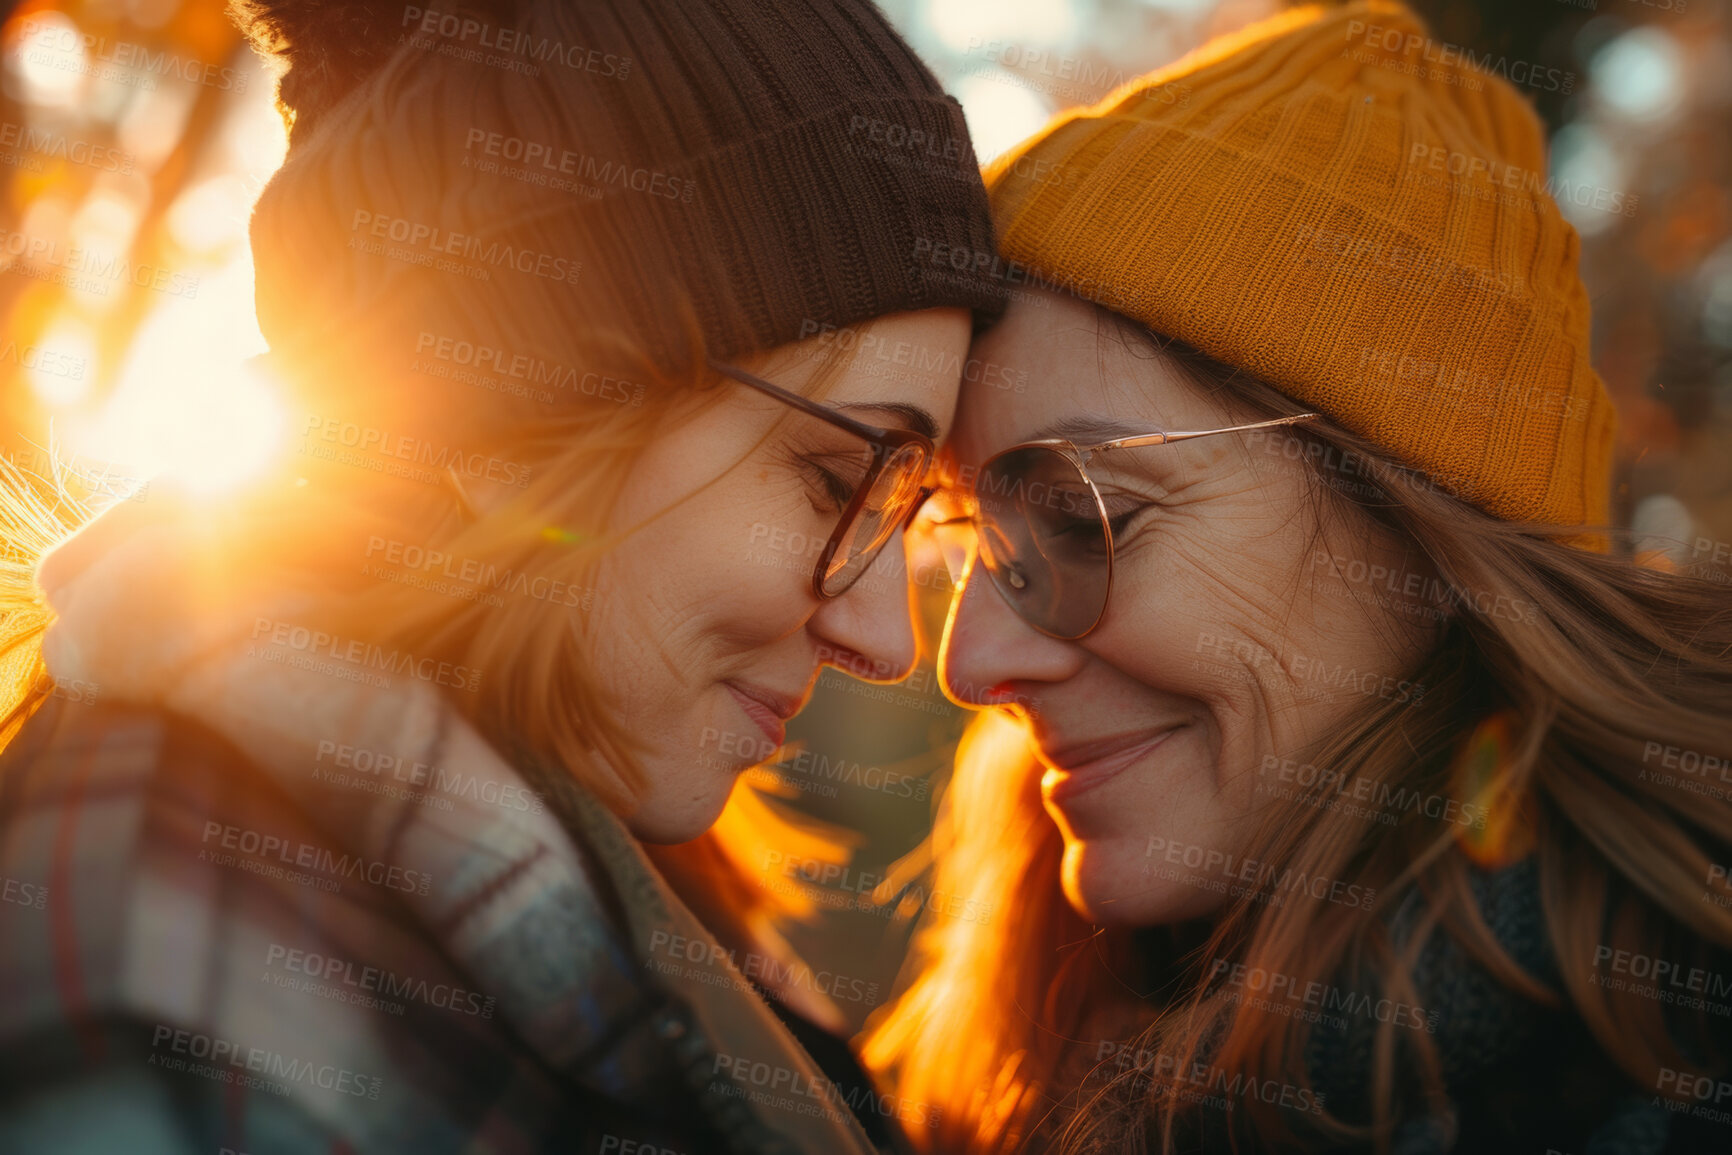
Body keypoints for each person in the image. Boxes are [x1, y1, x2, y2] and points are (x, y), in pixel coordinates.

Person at [0, 0, 1005, 1150]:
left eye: (910, 514)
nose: (889, 639)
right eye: (836, 480)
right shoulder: (171, 971)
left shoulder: (631, 897)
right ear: (502, 426)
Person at [862, 2, 1732, 1152]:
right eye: (971, 543)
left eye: (1084, 519)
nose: (969, 664)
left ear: (1413, 525)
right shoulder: (1015, 1047)